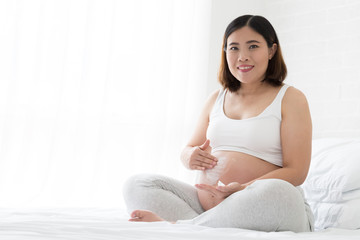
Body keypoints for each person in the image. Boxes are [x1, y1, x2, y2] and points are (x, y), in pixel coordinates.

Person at [123, 15, 314, 232]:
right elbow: (189, 148)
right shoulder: (216, 98)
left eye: (253, 47)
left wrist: (243, 188)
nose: (242, 57)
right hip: (209, 209)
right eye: (233, 48)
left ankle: (181, 228)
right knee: (137, 184)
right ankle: (202, 227)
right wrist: (190, 156)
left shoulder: (291, 98)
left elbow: (297, 171)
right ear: (225, 52)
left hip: (264, 203)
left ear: (271, 51)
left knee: (280, 193)